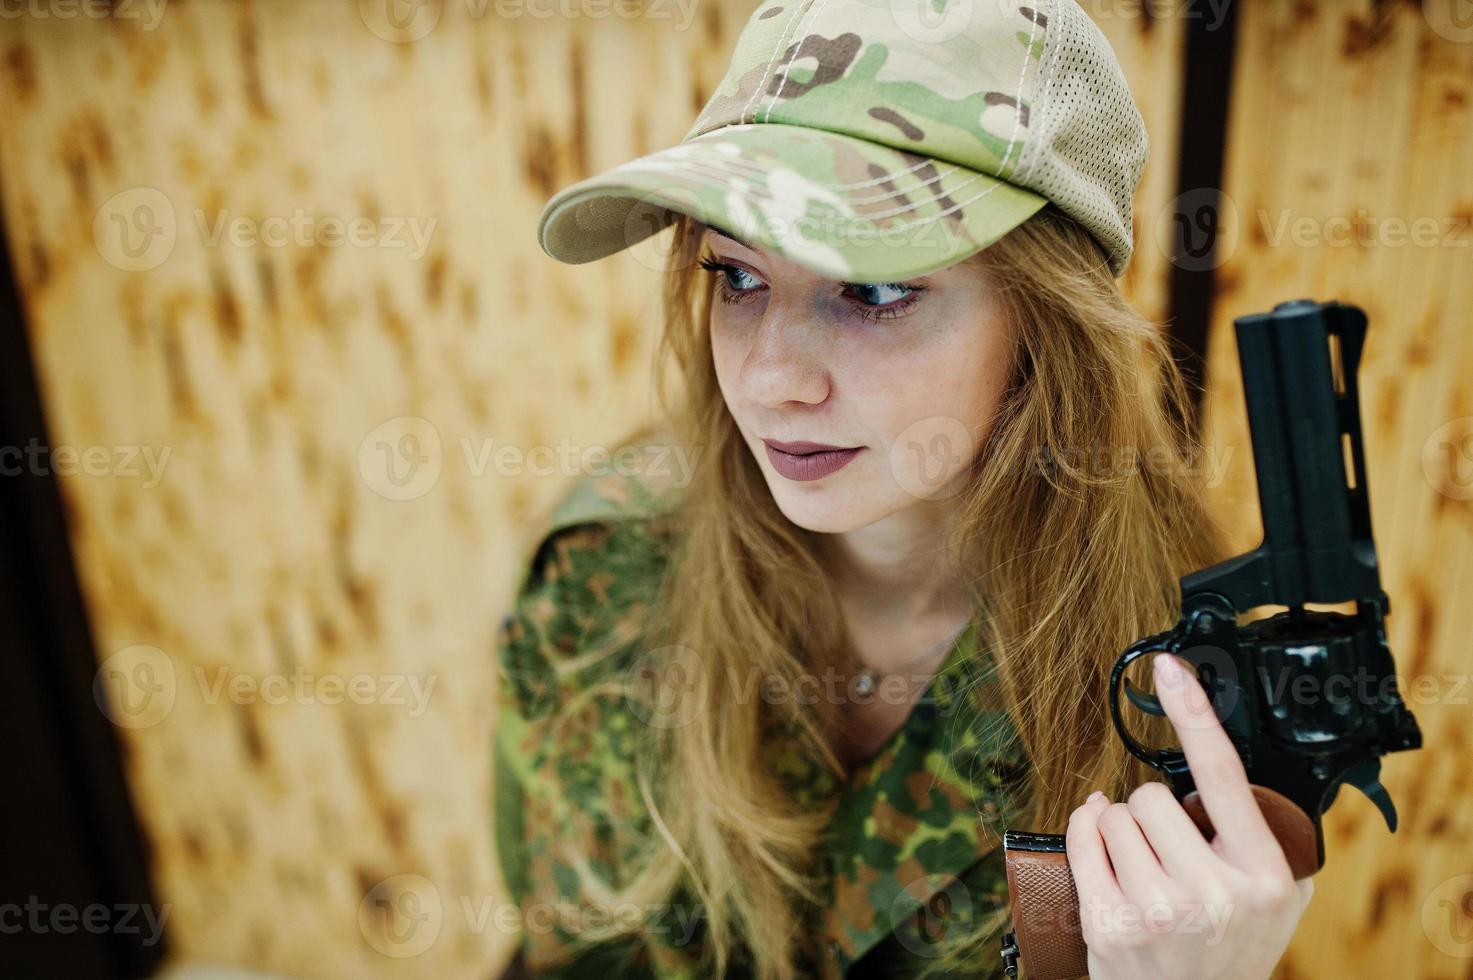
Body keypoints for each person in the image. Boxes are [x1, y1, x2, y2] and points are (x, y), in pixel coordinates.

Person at [495, 1, 1313, 977]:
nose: (770, 380)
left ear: (1049, 326)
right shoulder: (610, 572)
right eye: (738, 277)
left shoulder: (1183, 686)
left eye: (873, 288)